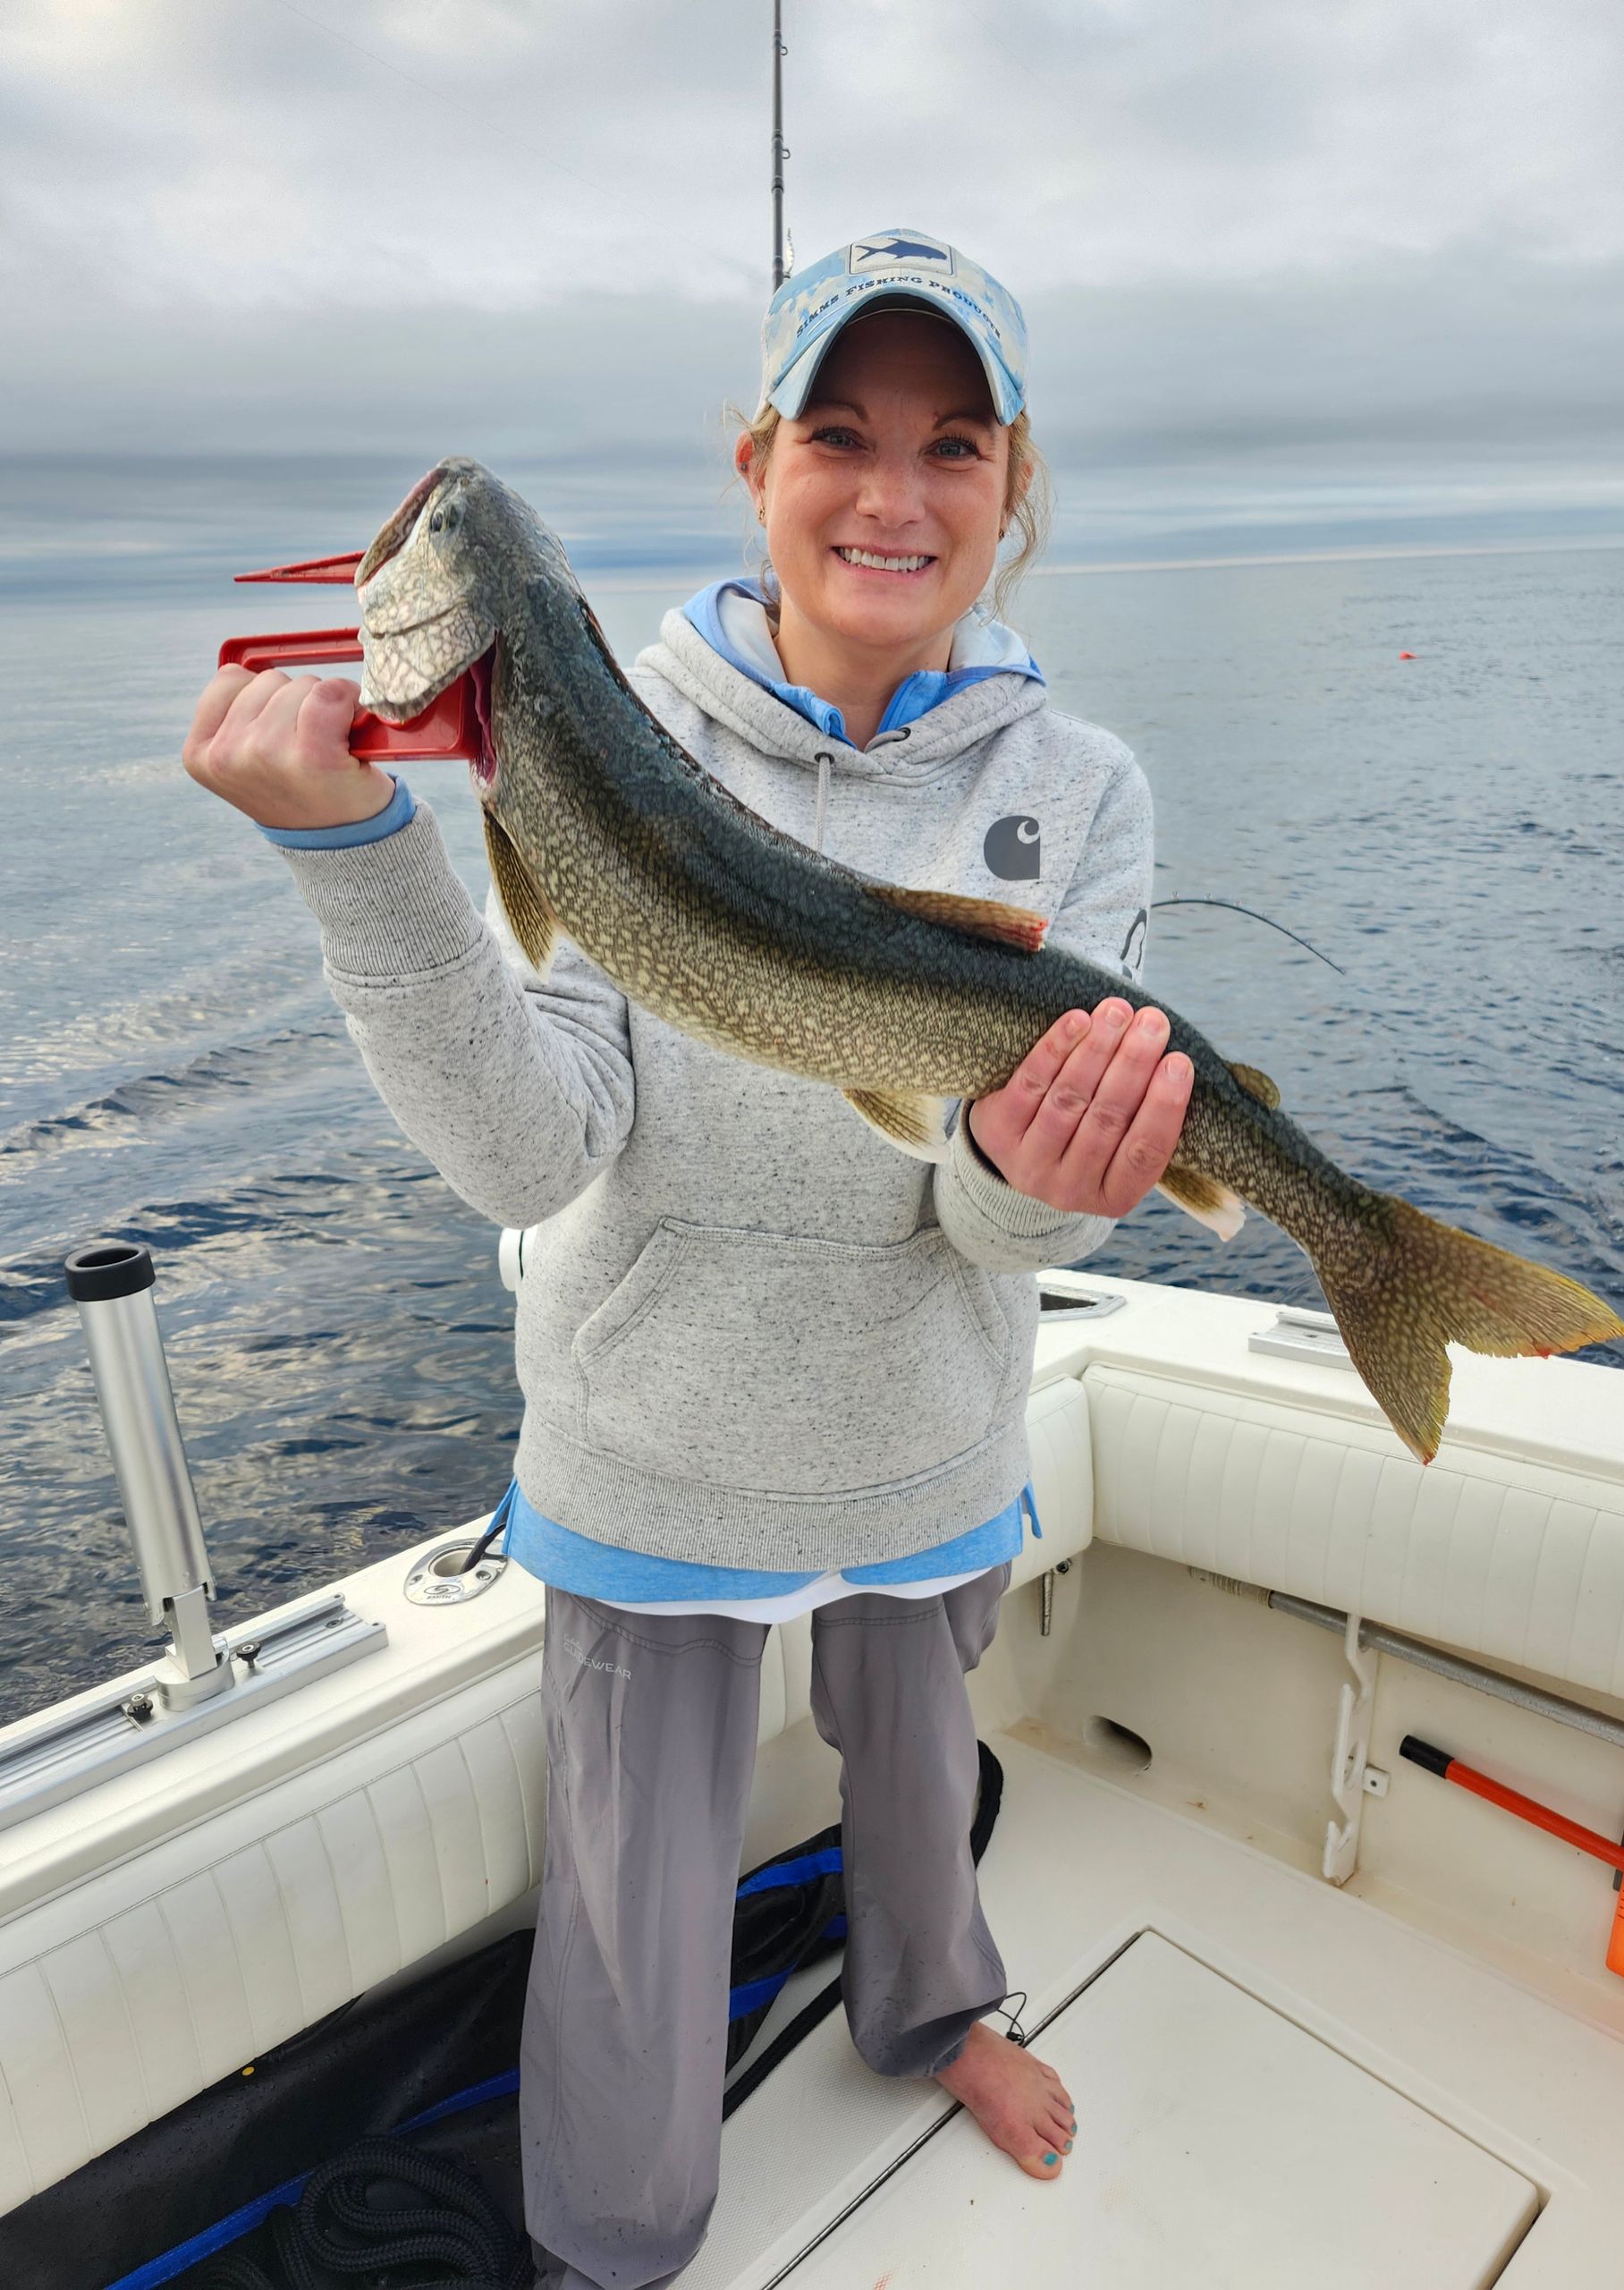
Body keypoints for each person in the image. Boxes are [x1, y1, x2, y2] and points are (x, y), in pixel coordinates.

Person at [182, 229, 1191, 2290]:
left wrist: (1029, 1170)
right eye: (840, 433)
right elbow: (531, 1141)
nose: (892, 495)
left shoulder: (1079, 794)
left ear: (1015, 489)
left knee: (924, 1788)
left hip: (925, 1432)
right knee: (633, 1900)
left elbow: (1008, 1209)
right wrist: (360, 862)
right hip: (652, 1455)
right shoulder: (609, 732)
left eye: (953, 447)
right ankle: (614, 2232)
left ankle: (933, 2011)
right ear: (756, 464)